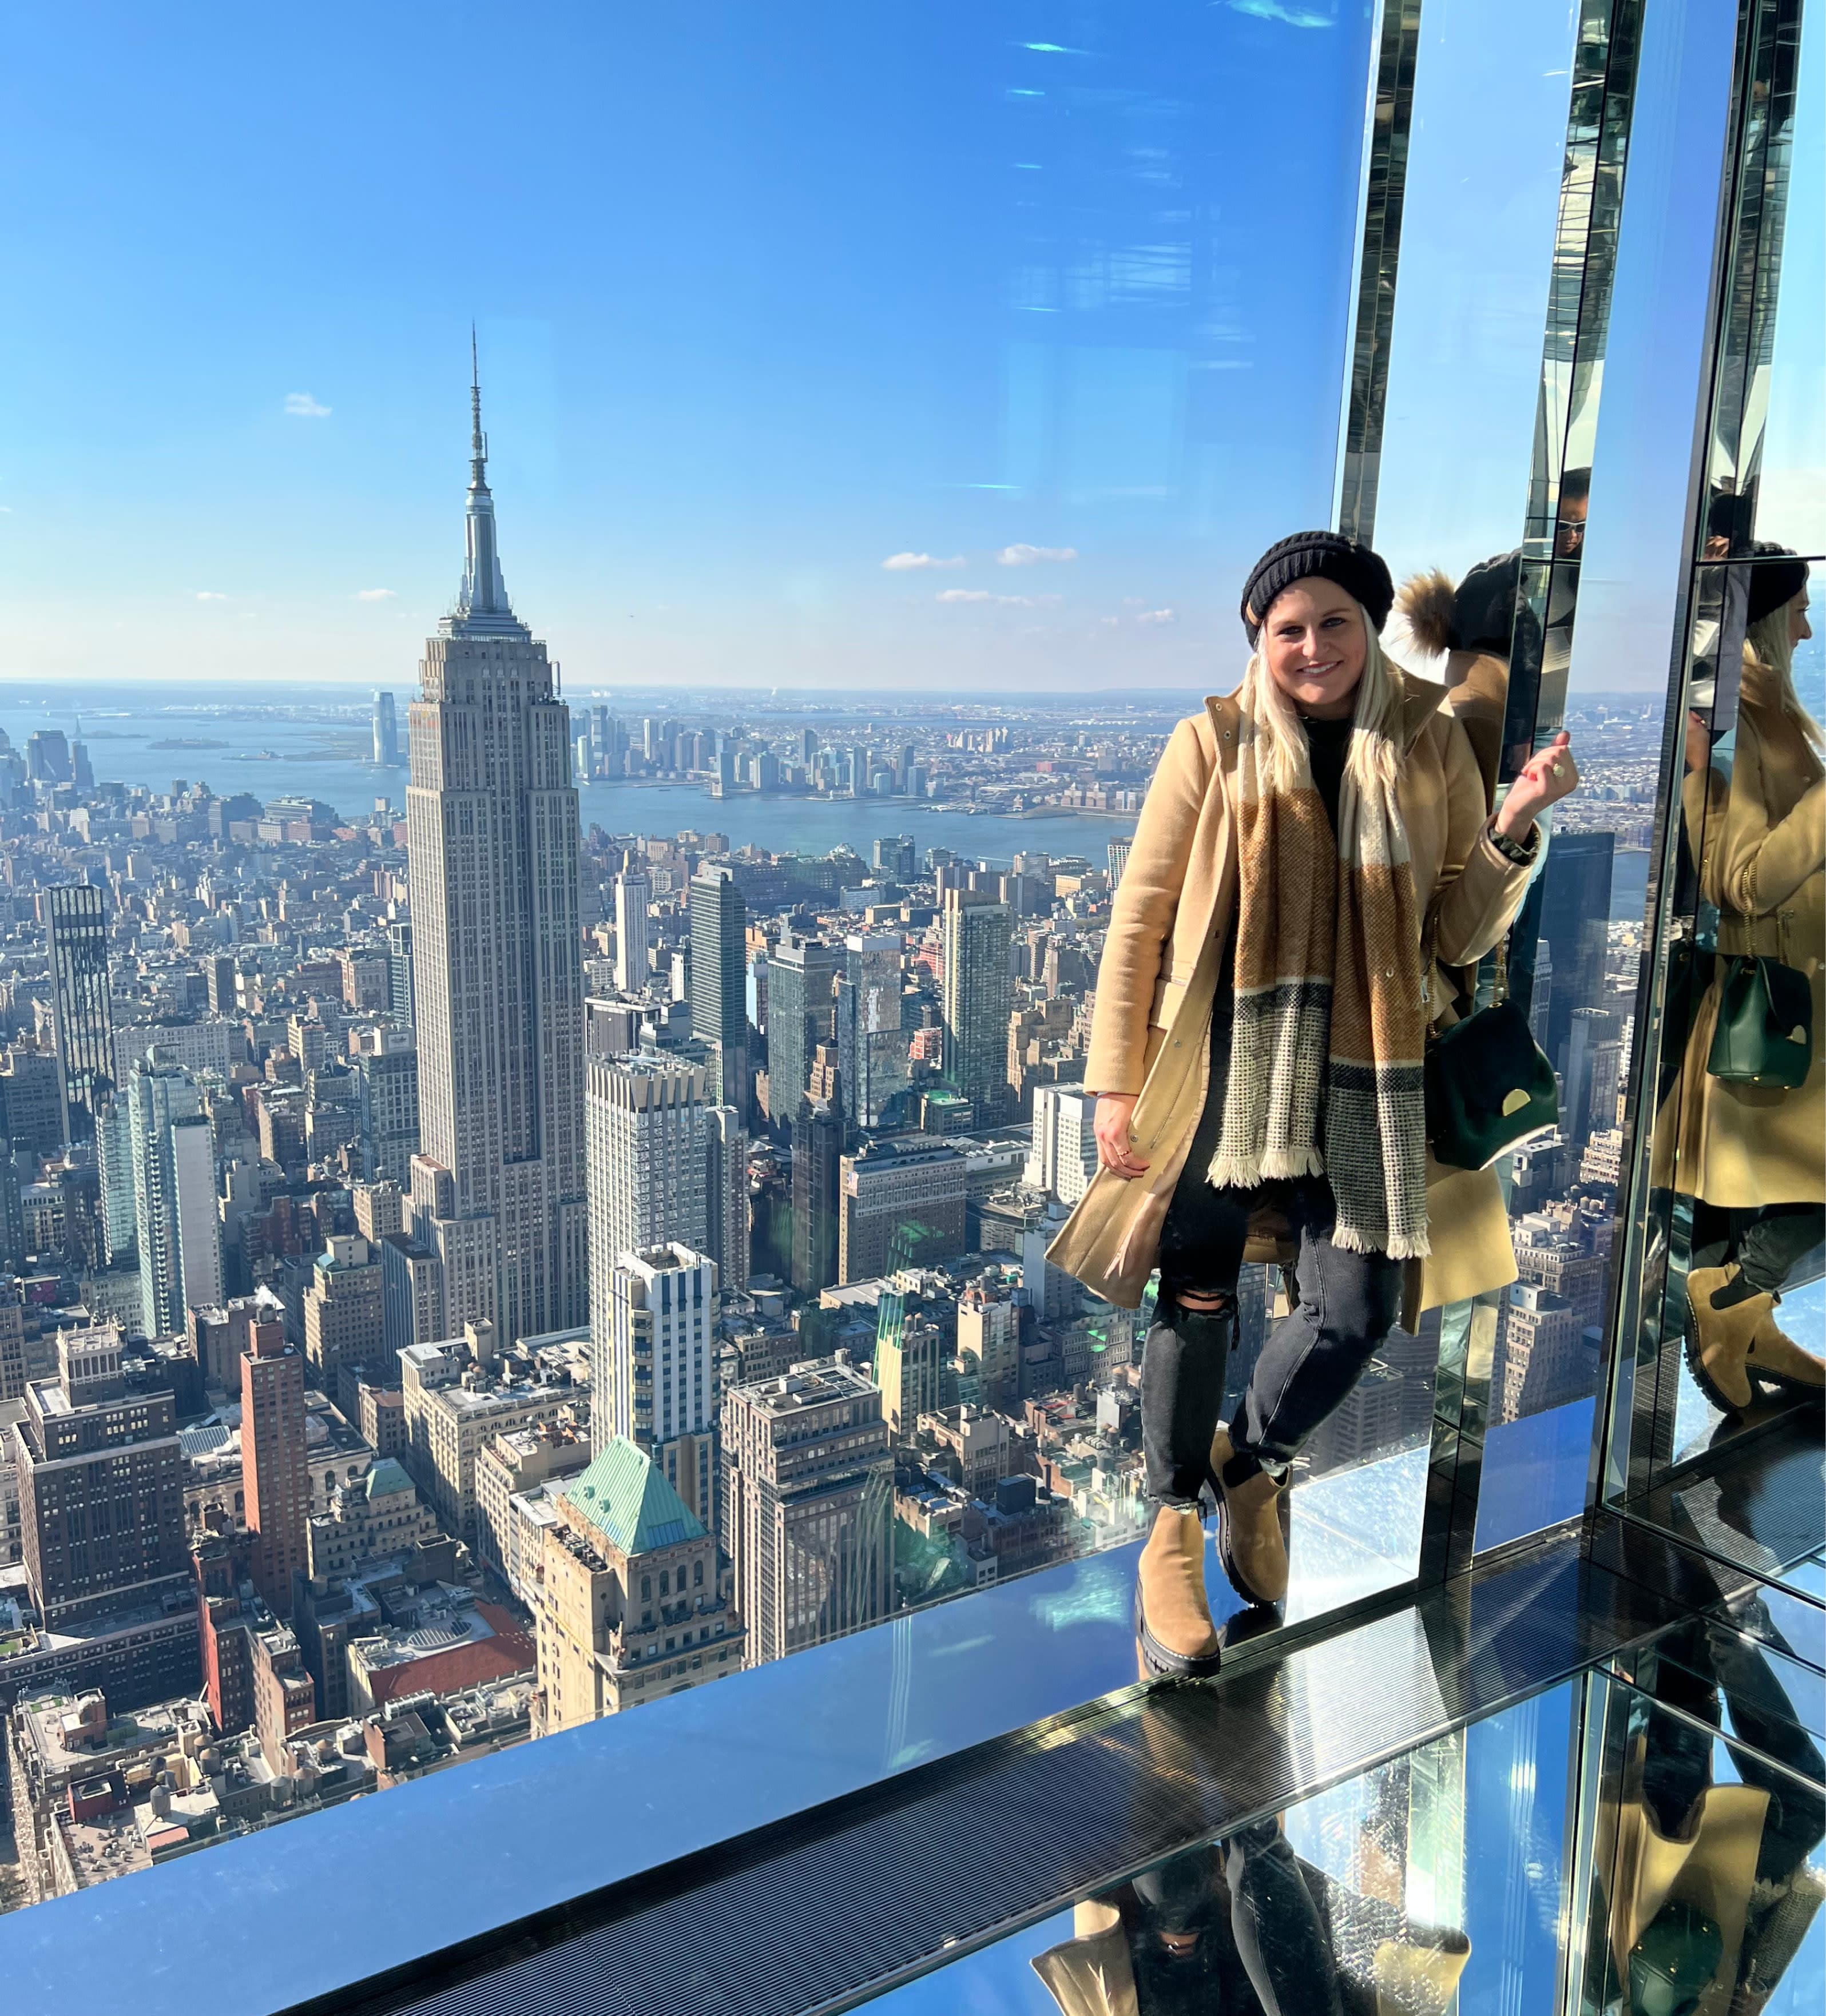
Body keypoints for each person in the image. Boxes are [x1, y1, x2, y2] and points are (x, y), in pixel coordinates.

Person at [1047, 531, 1579, 1677]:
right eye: (1286, 628)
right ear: (1258, 638)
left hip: (1364, 1076)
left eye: (1334, 621)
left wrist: (1512, 829)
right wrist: (1111, 1083)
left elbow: (1452, 934)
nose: (1311, 646)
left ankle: (1256, 1461)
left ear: (1372, 626)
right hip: (1223, 1075)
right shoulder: (1214, 742)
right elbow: (1140, 920)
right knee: (1194, 1291)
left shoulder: (1429, 748)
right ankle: (1173, 1528)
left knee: (1355, 1307)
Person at [1670, 547, 1825, 1409]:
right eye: (1797, 608)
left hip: (1792, 995)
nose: (1808, 624)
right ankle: (1732, 1303)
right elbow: (1747, 879)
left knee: (1738, 1183)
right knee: (1764, 1180)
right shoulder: (1763, 714)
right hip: (1782, 1000)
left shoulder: (1768, 713)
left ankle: (1747, 1324)